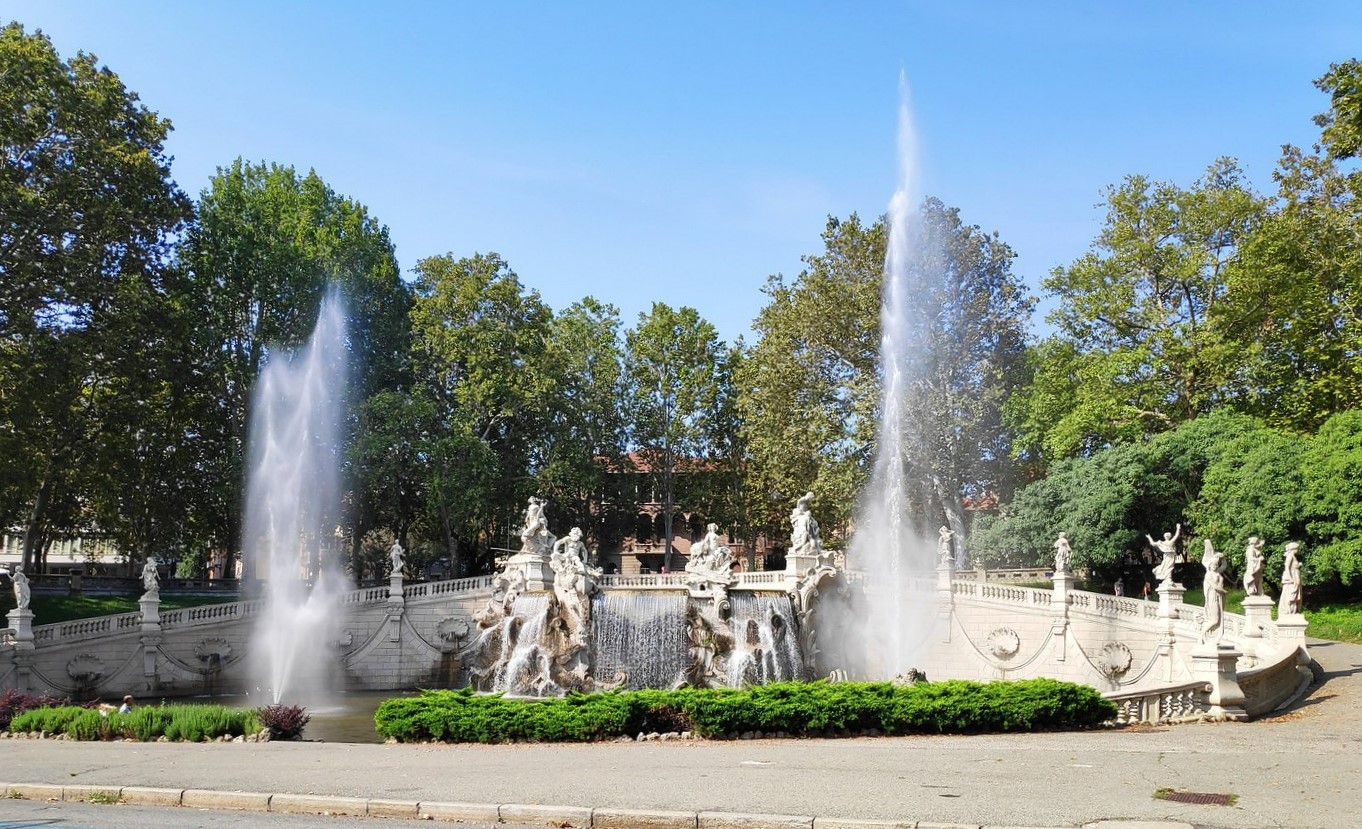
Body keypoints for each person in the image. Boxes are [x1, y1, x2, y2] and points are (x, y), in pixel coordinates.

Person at [1279, 541, 1304, 616]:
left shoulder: (1293, 556)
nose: (1298, 550)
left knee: (1295, 593)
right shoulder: (1290, 556)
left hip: (1295, 575)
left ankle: (1294, 610)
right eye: (1297, 548)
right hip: (1292, 576)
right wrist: (1290, 578)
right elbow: (1287, 567)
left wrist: (1298, 565)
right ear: (1293, 549)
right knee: (1291, 593)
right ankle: (1290, 610)